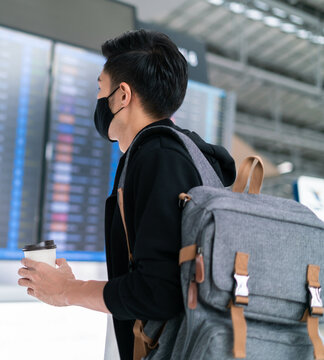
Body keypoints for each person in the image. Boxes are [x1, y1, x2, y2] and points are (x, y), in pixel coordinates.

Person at [17, 29, 236, 359]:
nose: (98, 99)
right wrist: (73, 286)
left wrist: (66, 290)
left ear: (122, 96)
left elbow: (157, 292)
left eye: (100, 88)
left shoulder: (158, 157)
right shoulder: (188, 157)